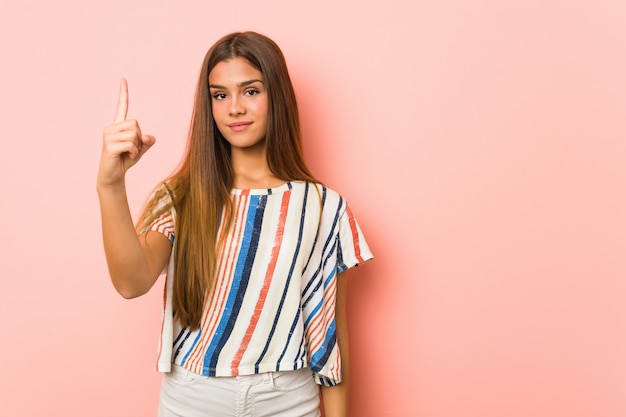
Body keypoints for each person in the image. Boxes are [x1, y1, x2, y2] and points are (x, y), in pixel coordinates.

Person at [97, 31, 373, 417]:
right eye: (220, 95)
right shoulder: (180, 195)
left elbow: (331, 337)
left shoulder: (323, 206)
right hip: (192, 398)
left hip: (288, 400)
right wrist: (110, 184)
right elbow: (131, 282)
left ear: (277, 95)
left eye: (251, 91)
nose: (235, 108)